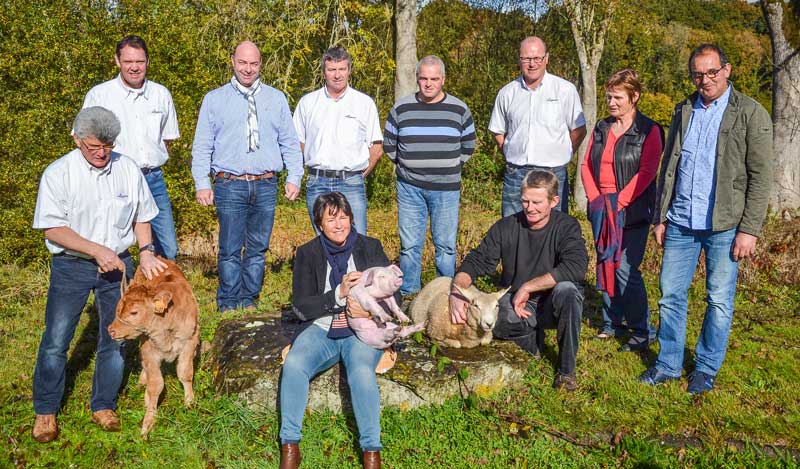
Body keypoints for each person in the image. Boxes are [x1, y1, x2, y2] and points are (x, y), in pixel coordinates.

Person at [639, 44, 773, 394]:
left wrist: (749, 229)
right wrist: (661, 216)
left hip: (725, 225)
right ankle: (668, 363)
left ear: (727, 70)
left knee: (718, 299)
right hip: (681, 220)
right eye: (698, 74)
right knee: (670, 293)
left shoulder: (749, 113)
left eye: (712, 72)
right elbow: (669, 167)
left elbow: (761, 176)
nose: (705, 80)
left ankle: (706, 366)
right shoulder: (683, 109)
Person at [30, 107, 167, 443]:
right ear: (76, 139)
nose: (102, 153)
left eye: (108, 145)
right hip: (72, 266)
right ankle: (45, 411)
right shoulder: (58, 173)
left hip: (118, 267)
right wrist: (95, 250)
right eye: (94, 147)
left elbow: (142, 216)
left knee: (116, 338)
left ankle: (103, 404)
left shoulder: (127, 168)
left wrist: (146, 251)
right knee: (57, 341)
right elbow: (52, 229)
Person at [279, 192, 395, 469]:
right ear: (319, 223)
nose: (340, 224)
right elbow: (301, 307)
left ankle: (371, 453)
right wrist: (338, 294)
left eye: (344, 217)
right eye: (332, 219)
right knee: (294, 364)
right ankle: (290, 445)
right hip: (322, 327)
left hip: (363, 330)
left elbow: (395, 295)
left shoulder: (370, 247)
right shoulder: (307, 253)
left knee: (360, 372)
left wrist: (368, 310)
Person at [191, 41, 303, 313]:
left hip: (265, 183)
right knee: (229, 248)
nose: (248, 69)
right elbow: (203, 144)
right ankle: (228, 302)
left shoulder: (276, 99)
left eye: (253, 63)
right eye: (243, 62)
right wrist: (202, 183)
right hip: (229, 184)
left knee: (258, 247)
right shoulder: (214, 100)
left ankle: (249, 299)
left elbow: (289, 141)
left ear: (260, 64)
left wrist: (294, 176)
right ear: (233, 61)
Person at [450, 170, 588, 391]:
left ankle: (566, 372)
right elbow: (476, 261)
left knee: (568, 292)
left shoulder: (567, 226)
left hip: (553, 302)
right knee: (496, 318)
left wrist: (528, 286)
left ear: (554, 201)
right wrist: (457, 291)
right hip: (515, 303)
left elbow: (576, 267)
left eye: (536, 202)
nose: (529, 208)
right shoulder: (506, 227)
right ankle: (532, 342)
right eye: (525, 201)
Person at [580, 69, 663, 352]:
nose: (611, 102)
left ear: (634, 96)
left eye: (617, 97)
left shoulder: (649, 130)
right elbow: (585, 166)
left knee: (626, 268)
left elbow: (647, 172)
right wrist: (596, 200)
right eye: (608, 97)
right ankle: (611, 323)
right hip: (602, 208)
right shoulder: (602, 128)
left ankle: (641, 329)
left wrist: (620, 203)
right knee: (605, 262)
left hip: (632, 210)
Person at [383, 55, 476, 296]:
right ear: (417, 79)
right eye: (423, 78)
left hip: (446, 189)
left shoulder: (459, 109)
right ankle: (409, 293)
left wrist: (446, 167)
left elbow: (468, 146)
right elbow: (390, 145)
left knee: (445, 246)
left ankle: (443, 294)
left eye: (434, 78)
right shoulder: (401, 108)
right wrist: (410, 167)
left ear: (443, 79)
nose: (428, 83)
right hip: (409, 187)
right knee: (410, 245)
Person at [82, 35, 181, 260]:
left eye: (139, 61)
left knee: (168, 249)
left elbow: (165, 140)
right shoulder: (100, 95)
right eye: (128, 62)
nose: (134, 67)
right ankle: (122, 292)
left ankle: (159, 294)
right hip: (113, 178)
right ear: (117, 61)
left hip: (153, 179)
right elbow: (83, 140)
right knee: (114, 245)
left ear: (147, 61)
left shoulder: (161, 94)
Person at [489, 36, 587, 215]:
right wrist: (510, 150)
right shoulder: (507, 93)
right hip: (516, 174)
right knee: (512, 230)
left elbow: (579, 129)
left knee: (554, 232)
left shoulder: (565, 90)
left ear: (546, 58)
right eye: (526, 59)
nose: (532, 64)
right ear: (519, 60)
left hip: (554, 173)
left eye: (537, 58)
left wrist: (564, 151)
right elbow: (497, 130)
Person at [293, 46, 383, 235]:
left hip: (351, 183)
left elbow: (376, 148)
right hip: (317, 182)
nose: (337, 75)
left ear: (349, 70)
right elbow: (297, 144)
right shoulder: (308, 103)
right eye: (332, 69)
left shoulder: (363, 103)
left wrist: (358, 176)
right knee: (322, 242)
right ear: (323, 72)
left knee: (358, 241)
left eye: (342, 69)